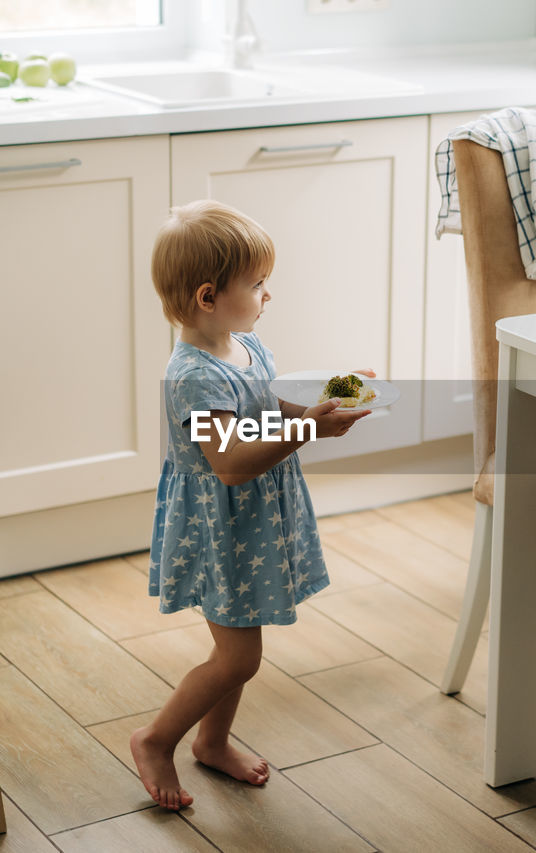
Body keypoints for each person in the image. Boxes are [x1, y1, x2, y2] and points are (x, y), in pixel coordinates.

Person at [132, 200, 371, 810]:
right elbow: (232, 464)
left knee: (240, 649)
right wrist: (308, 431)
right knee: (239, 655)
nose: (270, 295)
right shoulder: (193, 376)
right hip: (221, 527)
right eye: (259, 284)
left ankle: (212, 743)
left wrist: (325, 404)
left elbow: (264, 413)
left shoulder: (245, 345)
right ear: (208, 296)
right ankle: (156, 739)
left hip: (253, 525)